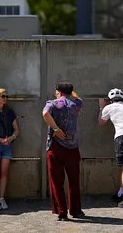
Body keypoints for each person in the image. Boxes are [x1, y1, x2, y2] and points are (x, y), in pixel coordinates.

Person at [42, 81, 84, 221]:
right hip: (73, 147)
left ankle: (61, 211)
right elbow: (78, 97)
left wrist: (56, 128)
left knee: (56, 181)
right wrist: (71, 92)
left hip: (56, 146)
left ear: (58, 91)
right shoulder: (76, 104)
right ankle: (76, 210)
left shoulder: (52, 103)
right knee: (74, 180)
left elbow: (45, 113)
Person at [98, 88, 123, 208]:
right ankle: (121, 193)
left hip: (122, 137)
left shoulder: (108, 108)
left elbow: (101, 122)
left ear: (110, 100)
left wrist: (101, 107)